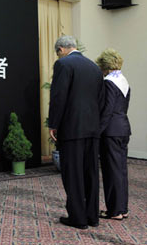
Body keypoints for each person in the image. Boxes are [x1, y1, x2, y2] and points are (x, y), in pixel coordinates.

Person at [48, 36, 104, 229]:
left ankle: (78, 218)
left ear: (61, 49)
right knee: (90, 174)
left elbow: (58, 96)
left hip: (72, 129)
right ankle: (92, 217)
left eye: (58, 52)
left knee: (73, 174)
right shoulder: (94, 67)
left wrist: (53, 124)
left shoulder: (63, 64)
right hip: (92, 129)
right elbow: (101, 100)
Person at [95, 48, 131, 221]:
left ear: (105, 66)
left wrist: (97, 132)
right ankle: (123, 208)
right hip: (123, 128)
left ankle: (114, 211)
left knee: (112, 171)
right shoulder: (124, 81)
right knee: (121, 170)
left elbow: (107, 110)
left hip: (110, 131)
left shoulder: (109, 82)